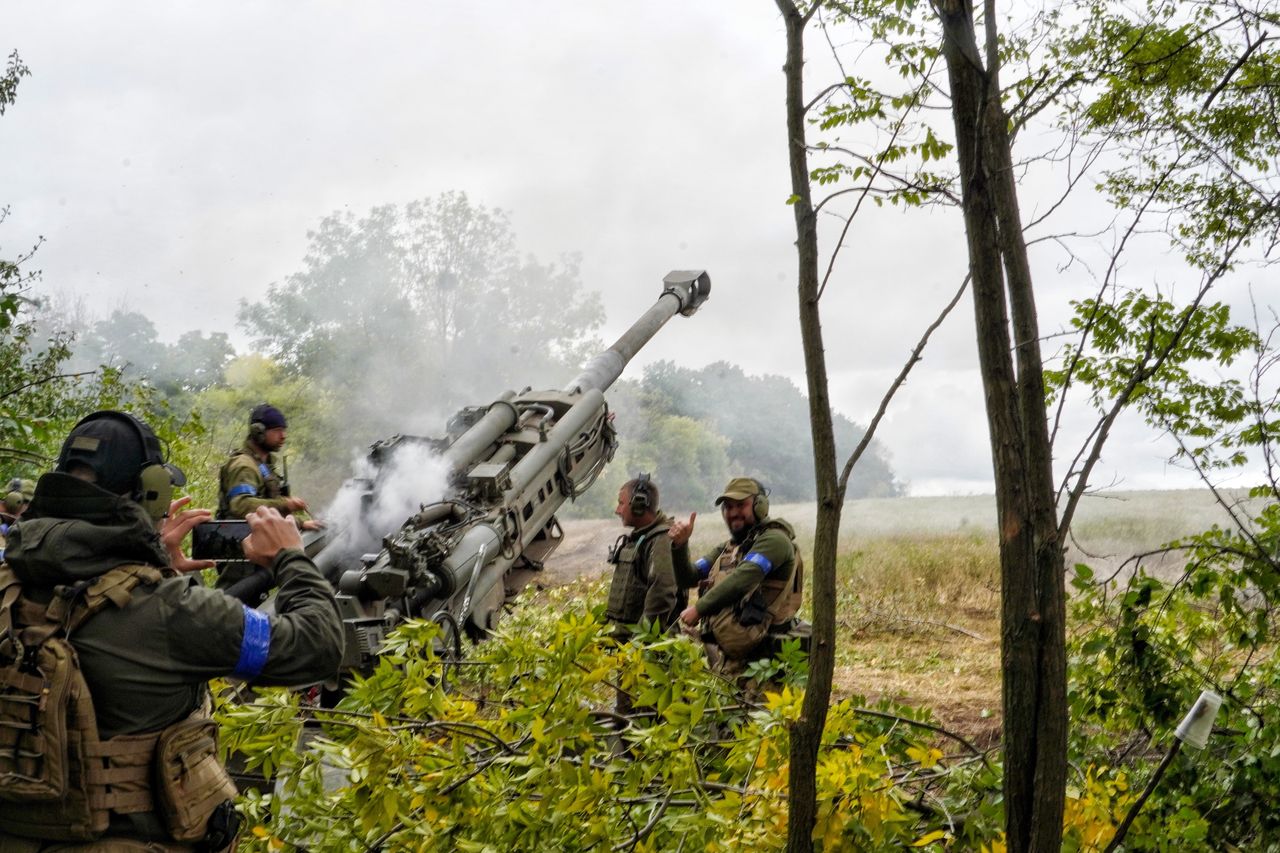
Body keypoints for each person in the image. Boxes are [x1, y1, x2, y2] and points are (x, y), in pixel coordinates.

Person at [0, 410, 344, 850]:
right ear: (152, 493)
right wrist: (289, 557)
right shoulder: (172, 610)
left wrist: (149, 565)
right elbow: (317, 646)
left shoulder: (9, 583)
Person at [671, 477, 804, 676]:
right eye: (728, 507)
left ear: (759, 506)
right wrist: (680, 546)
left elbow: (743, 579)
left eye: (741, 505)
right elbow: (689, 577)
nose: (733, 513)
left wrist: (699, 608)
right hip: (738, 652)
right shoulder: (729, 547)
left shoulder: (775, 540)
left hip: (768, 660)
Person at [217, 403, 320, 530]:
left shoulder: (263, 464)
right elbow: (241, 505)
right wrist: (285, 504)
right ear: (258, 432)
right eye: (277, 430)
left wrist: (300, 523)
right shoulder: (244, 465)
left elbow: (269, 512)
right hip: (240, 544)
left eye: (284, 430)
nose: (283, 436)